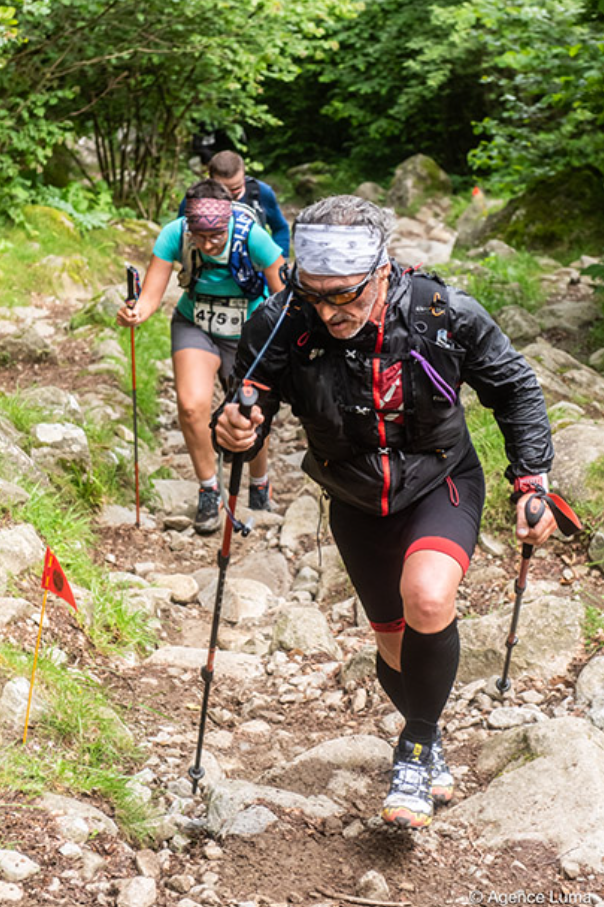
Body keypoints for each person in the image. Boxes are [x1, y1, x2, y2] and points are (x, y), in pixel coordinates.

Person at [213, 195, 557, 829]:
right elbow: (247, 403)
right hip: (353, 496)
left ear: (380, 270)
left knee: (428, 599)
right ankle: (428, 735)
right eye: (314, 293)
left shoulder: (441, 313)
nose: (329, 310)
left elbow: (515, 388)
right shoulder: (282, 321)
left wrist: (530, 481)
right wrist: (235, 429)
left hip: (440, 480)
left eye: (343, 295)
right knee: (394, 642)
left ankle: (415, 751)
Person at [117, 178, 285, 534]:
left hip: (247, 331)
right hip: (196, 324)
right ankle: (209, 488)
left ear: (228, 226)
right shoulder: (174, 234)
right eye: (199, 236)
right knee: (192, 405)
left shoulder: (253, 237)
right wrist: (136, 313)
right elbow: (151, 294)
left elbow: (283, 295)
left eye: (216, 237)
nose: (207, 245)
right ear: (188, 226)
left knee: (250, 413)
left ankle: (259, 481)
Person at [178, 151, 290, 258]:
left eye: (236, 188)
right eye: (223, 189)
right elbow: (180, 233)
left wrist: (280, 258)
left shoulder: (261, 192)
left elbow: (280, 228)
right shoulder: (196, 199)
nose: (230, 195)